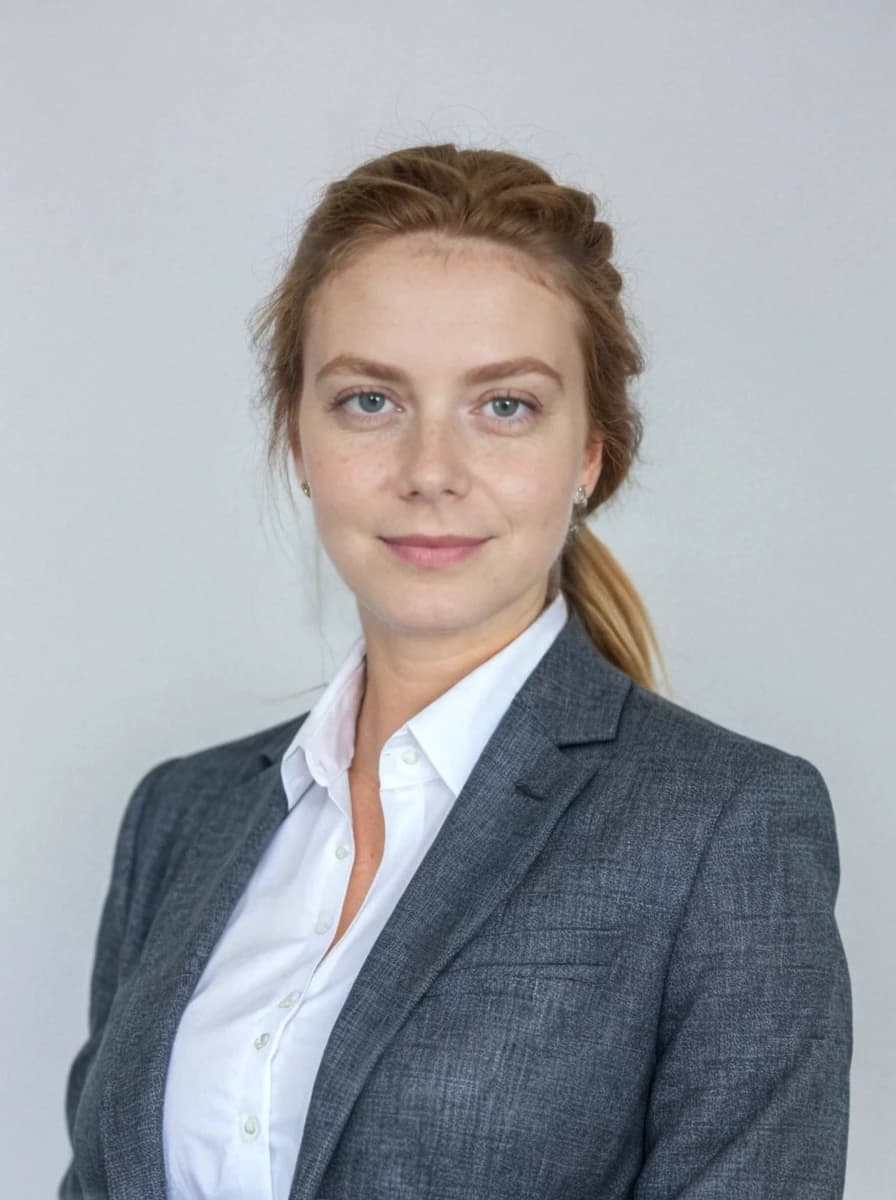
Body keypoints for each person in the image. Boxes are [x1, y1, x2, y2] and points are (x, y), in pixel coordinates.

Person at [59, 143, 852, 1200]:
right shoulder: (180, 818)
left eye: (505, 406)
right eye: (369, 402)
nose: (429, 472)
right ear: (295, 433)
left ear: (590, 453)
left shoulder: (723, 827)